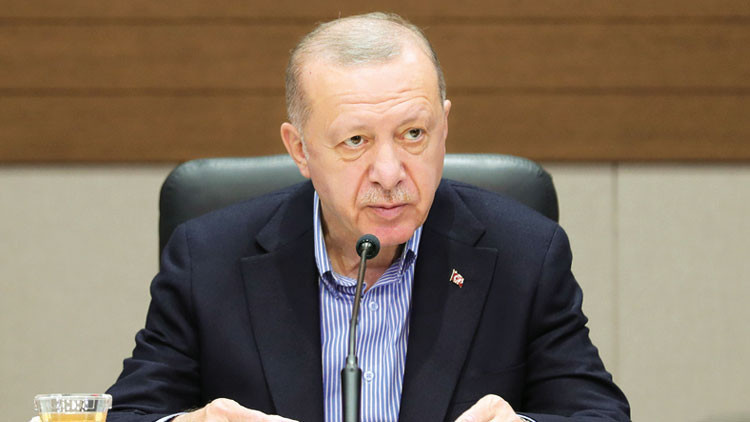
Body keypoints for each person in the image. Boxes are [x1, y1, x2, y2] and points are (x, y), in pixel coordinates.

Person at [106, 12, 630, 422]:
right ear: (300, 149)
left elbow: (599, 415)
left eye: (414, 134)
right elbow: (130, 412)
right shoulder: (208, 259)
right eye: (356, 140)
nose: (389, 172)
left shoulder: (525, 254)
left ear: (444, 127)